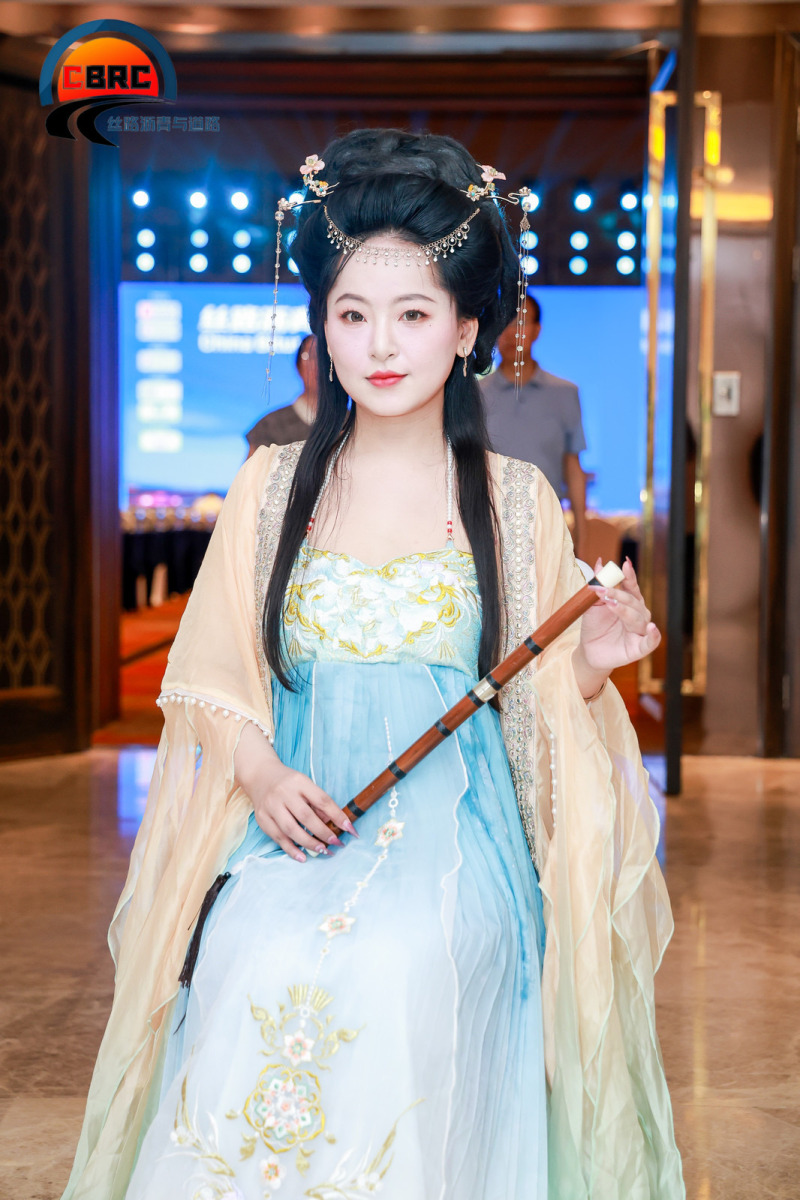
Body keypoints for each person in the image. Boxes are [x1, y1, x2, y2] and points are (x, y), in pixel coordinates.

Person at [63, 130, 684, 1200]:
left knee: (401, 962)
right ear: (321, 329)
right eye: (351, 316)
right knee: (255, 953)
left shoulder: (513, 501)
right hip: (295, 819)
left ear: (467, 328)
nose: (380, 345)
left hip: (458, 837)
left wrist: (591, 662)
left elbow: (532, 705)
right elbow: (210, 674)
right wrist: (261, 775)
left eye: (412, 315)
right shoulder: (269, 484)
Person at [480, 296, 588, 560]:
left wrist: (581, 537)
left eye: (521, 323)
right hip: (488, 529)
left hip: (547, 529)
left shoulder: (564, 393)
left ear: (537, 330)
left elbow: (573, 467)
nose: (511, 333)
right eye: (502, 322)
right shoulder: (476, 395)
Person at [245, 333, 318, 455]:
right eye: (311, 357)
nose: (317, 366)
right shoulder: (269, 426)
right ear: (298, 366)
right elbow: (252, 467)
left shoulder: (349, 425)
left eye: (326, 358)